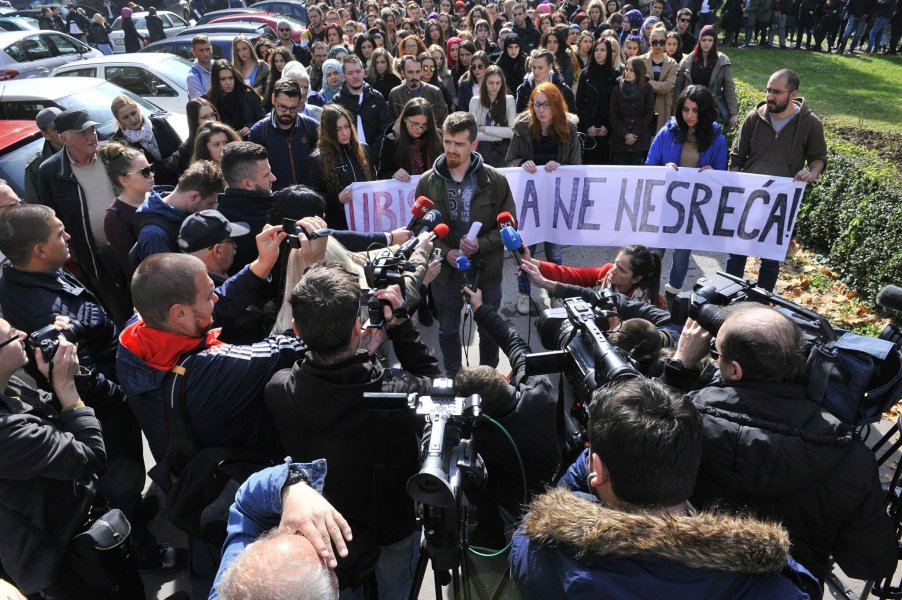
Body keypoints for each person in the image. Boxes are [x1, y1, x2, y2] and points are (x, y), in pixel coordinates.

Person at [666, 303, 896, 597]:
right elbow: (870, 564)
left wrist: (679, 366)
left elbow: (635, 455)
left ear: (735, 371)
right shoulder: (851, 459)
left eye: (717, 355)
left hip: (692, 583)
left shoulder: (686, 421)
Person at [510, 378, 814, 599]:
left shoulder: (536, 548)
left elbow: (563, 503)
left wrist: (598, 456)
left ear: (597, 470)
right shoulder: (772, 585)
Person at [0, 205, 180, 575]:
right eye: (59, 233)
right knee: (117, 479)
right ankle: (145, 552)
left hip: (110, 390)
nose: (68, 237)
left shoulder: (28, 274)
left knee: (127, 484)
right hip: (103, 413)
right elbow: (82, 377)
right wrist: (127, 395)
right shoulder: (41, 310)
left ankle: (134, 511)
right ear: (39, 251)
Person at [265, 265, 439, 598]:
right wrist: (400, 328)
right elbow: (438, 390)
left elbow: (326, 386)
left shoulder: (278, 391)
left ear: (297, 330)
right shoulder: (399, 392)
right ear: (358, 327)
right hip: (392, 527)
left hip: (326, 535)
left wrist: (360, 355)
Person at [0, 318, 146, 599]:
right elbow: (90, 456)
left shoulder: (11, 383)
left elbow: (48, 412)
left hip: (67, 524)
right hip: (64, 559)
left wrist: (56, 368)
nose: (23, 333)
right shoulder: (6, 432)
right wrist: (67, 389)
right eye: (10, 336)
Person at [456, 285, 561, 548]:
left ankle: (489, 535)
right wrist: (480, 308)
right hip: (565, 476)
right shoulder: (538, 385)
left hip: (529, 503)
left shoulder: (485, 439)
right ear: (504, 380)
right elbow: (512, 339)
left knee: (471, 473)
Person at [415, 111, 516, 376]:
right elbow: (421, 229)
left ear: (474, 144)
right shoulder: (427, 181)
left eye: (459, 144)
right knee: (447, 329)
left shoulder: (495, 180)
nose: (451, 149)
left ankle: (487, 378)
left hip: (487, 271)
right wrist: (446, 253)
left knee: (489, 329)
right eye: (447, 142)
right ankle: (454, 376)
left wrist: (480, 244)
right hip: (446, 275)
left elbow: (509, 225)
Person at [725, 69, 826, 292]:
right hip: (749, 199)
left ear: (793, 94)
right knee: (736, 254)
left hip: (780, 202)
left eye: (777, 92)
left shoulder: (810, 124)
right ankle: (729, 298)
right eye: (768, 90)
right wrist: (734, 181)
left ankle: (761, 304)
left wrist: (813, 173)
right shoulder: (754, 118)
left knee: (770, 260)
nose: (770, 96)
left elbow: (818, 158)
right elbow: (737, 156)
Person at [36, 109, 131, 326]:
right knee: (120, 315)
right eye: (82, 133)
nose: (91, 136)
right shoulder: (50, 171)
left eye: (92, 129)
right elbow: (51, 217)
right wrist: (74, 256)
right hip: (95, 259)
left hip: (131, 245)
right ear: (63, 138)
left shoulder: (111, 154)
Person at [210, 461, 351, 600]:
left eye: (268, 537)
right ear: (334, 585)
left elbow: (246, 509)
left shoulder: (227, 595)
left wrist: (292, 486)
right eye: (325, 566)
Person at [646, 85, 727, 305]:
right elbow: (649, 165)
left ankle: (672, 297)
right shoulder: (667, 133)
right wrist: (663, 169)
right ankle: (648, 294)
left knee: (681, 256)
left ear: (705, 112)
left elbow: (723, 176)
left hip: (693, 210)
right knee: (655, 253)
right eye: (685, 109)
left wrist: (714, 174)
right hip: (664, 205)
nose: (689, 115)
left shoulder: (717, 139)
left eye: (695, 111)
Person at [506, 82, 580, 315]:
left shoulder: (569, 128)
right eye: (536, 104)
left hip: (556, 203)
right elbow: (510, 161)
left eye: (546, 104)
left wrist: (561, 167)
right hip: (530, 203)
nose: (540, 109)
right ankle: (525, 294)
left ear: (556, 105)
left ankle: (555, 293)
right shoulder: (522, 128)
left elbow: (576, 166)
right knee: (526, 250)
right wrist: (521, 163)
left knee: (554, 254)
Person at [129, 159, 224, 271]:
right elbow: (166, 282)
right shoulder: (155, 234)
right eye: (210, 203)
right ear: (194, 197)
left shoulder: (184, 212)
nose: (212, 209)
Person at [519, 243, 664, 306]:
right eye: (615, 263)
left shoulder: (647, 306)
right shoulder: (605, 273)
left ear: (637, 279)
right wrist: (531, 261)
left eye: (622, 270)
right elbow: (572, 275)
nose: (612, 271)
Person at [306, 105, 372, 230]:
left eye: (347, 126)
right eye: (338, 129)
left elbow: (374, 181)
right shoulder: (317, 159)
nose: (345, 133)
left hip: (367, 220)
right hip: (339, 225)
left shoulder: (364, 149)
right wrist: (337, 199)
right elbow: (313, 199)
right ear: (328, 131)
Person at [217, 142, 278, 274]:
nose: (273, 178)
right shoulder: (265, 221)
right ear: (248, 184)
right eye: (267, 174)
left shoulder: (218, 216)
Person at [248, 79, 319, 191]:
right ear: (273, 100)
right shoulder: (259, 132)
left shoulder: (311, 127)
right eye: (283, 107)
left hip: (309, 197)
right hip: (275, 201)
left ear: (300, 103)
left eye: (292, 108)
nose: (287, 112)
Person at [100, 142, 155, 280]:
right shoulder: (115, 218)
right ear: (124, 180)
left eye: (150, 168)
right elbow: (132, 269)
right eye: (145, 171)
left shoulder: (156, 195)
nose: (151, 174)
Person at [330, 55, 389, 175]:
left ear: (363, 72)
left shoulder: (377, 98)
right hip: (348, 161)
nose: (355, 76)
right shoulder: (337, 102)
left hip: (377, 159)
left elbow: (384, 129)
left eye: (358, 71)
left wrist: (371, 153)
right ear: (344, 76)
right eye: (350, 73)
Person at [673, 25, 739, 126]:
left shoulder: (722, 61)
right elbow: (678, 87)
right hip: (690, 108)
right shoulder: (687, 61)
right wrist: (678, 110)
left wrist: (733, 113)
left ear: (714, 41)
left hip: (712, 109)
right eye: (704, 40)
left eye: (710, 40)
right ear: (699, 40)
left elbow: (729, 87)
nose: (707, 43)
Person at [109, 94, 182, 186]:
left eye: (133, 113)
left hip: (180, 182)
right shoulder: (119, 142)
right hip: (150, 191)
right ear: (119, 120)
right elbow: (131, 174)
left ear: (139, 110)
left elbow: (181, 147)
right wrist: (163, 166)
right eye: (125, 117)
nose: (132, 119)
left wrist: (176, 156)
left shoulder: (160, 123)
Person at [576, 37, 619, 165]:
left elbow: (615, 103)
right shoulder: (585, 74)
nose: (599, 53)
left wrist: (607, 125)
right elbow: (579, 102)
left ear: (608, 53)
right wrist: (589, 125)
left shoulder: (615, 74)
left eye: (602, 50)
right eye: (596, 50)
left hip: (608, 127)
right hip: (589, 126)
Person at [379, 97, 443, 181]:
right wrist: (393, 174)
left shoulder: (437, 136)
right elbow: (382, 174)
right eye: (415, 124)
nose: (420, 129)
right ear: (405, 118)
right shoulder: (391, 140)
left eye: (425, 125)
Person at [609, 56, 655, 165]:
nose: (627, 73)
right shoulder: (617, 88)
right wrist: (625, 134)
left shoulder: (647, 88)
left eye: (632, 70)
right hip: (619, 138)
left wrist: (634, 134)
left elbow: (648, 114)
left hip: (638, 139)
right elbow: (613, 116)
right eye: (626, 69)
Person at [469, 65, 516, 168]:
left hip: (503, 152)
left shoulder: (509, 100)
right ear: (485, 82)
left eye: (498, 83)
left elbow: (512, 132)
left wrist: (484, 128)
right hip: (482, 151)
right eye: (491, 83)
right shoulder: (475, 101)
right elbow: (474, 134)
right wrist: (502, 135)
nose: (494, 87)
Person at [204, 60, 265, 139]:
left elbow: (263, 120)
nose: (228, 82)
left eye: (231, 78)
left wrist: (251, 127)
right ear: (216, 81)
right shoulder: (208, 101)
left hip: (249, 142)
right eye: (223, 79)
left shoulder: (248, 95)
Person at [387, 55, 448, 124]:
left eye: (417, 72)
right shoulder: (395, 94)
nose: (414, 76)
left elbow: (443, 119)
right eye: (410, 72)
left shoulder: (435, 92)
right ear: (402, 73)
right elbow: (391, 122)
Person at [640, 26, 678, 132]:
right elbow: (638, 83)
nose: (658, 45)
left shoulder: (673, 63)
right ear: (649, 41)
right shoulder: (640, 61)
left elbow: (668, 86)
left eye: (661, 42)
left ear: (665, 42)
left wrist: (647, 82)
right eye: (654, 42)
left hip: (663, 107)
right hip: (642, 106)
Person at [24, 107, 63, 205]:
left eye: (66, 124)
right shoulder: (36, 168)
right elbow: (36, 209)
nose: (64, 130)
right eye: (57, 129)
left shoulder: (86, 146)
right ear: (46, 135)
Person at [187, 35, 215, 100]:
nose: (205, 53)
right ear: (194, 52)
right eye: (201, 50)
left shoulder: (219, 66)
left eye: (207, 49)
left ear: (211, 49)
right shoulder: (192, 77)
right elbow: (201, 103)